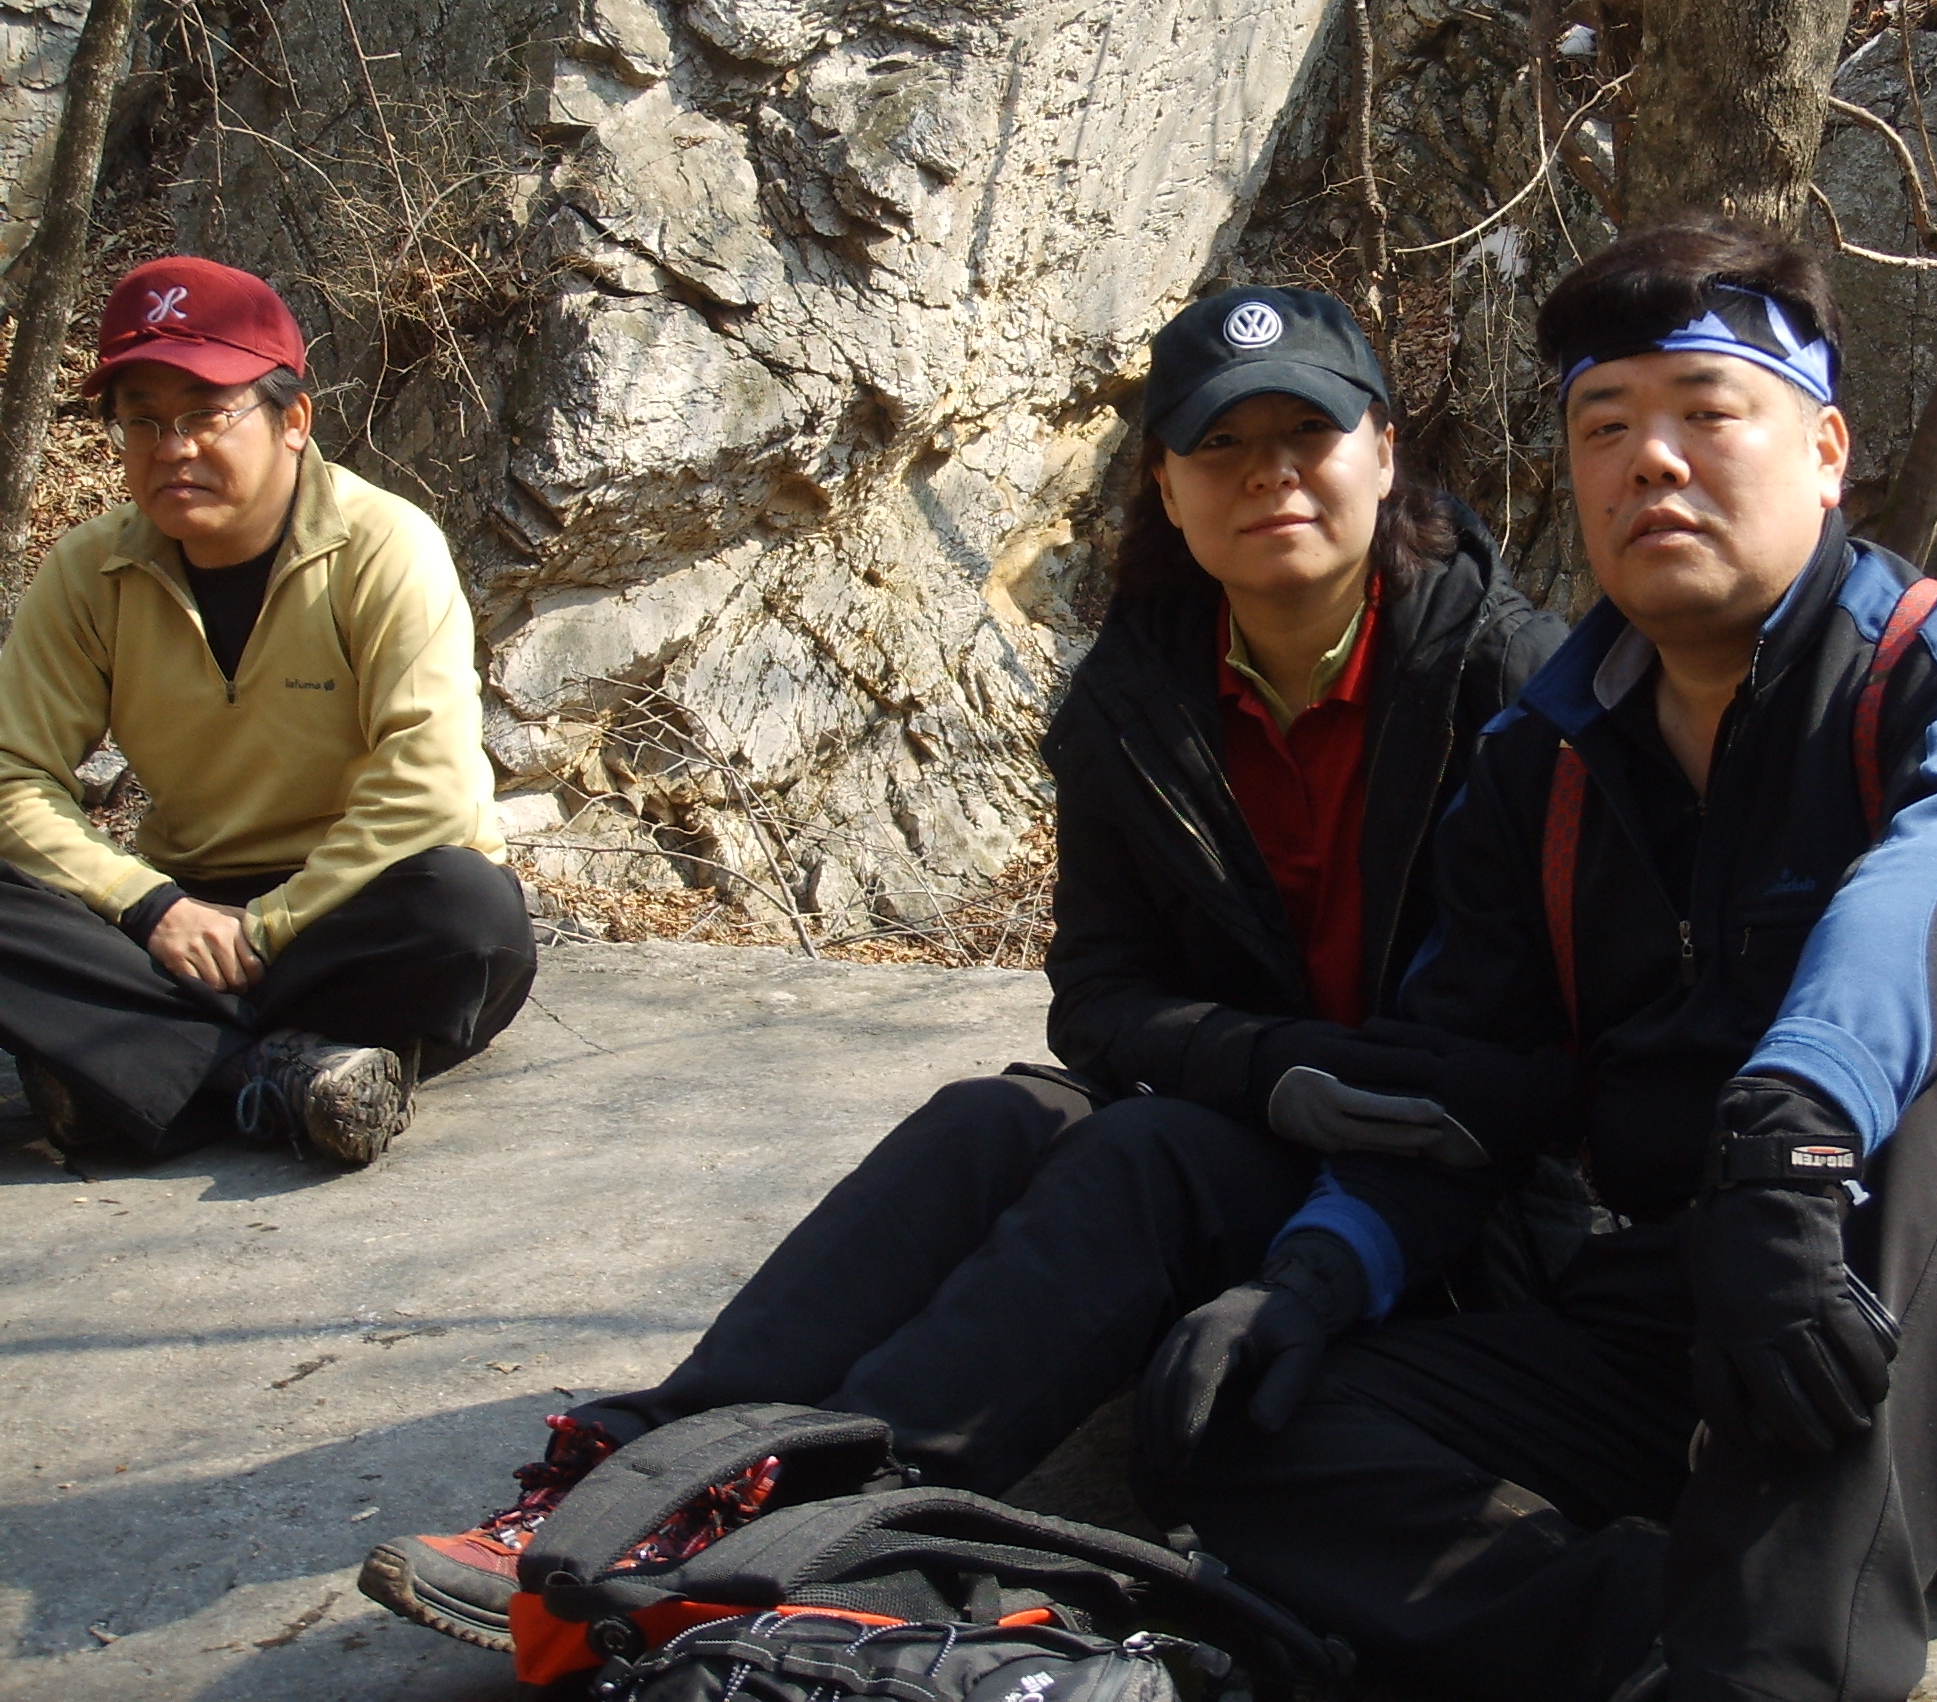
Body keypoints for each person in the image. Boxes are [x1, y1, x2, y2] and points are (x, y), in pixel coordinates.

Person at [359, 285, 1567, 1652]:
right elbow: (1101, 998)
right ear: (1166, 488)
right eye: (1221, 443)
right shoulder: (1136, 700)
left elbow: (1537, 1045)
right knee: (994, 1115)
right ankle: (645, 1466)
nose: (1268, 473)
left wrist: (1308, 1135)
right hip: (1265, 1119)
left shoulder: (1512, 690)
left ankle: (833, 1518)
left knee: (1148, 1151)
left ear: (1385, 451)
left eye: (1309, 431)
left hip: (1441, 1199)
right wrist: (1272, 1070)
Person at [1135, 220, 1937, 1702]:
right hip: (1703, 1310)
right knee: (1262, 1428)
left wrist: (1796, 1129)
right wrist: (1313, 1275)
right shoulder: (1543, 763)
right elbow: (1475, 1080)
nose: (1652, 463)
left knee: (1928, 1093)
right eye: (1606, 428)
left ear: (1826, 450)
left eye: (1708, 413)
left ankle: (1769, 1673)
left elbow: (1930, 905)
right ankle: (1636, 1640)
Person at [0, 256, 533, 1169]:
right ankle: (281, 1075)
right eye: (142, 420)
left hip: (353, 908)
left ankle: (135, 1071)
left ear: (293, 421)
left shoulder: (384, 546)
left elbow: (433, 790)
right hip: (182, 910)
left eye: (206, 414)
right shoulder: (90, 571)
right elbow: (13, 775)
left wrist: (268, 928)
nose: (172, 448)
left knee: (470, 915)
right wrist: (149, 906)